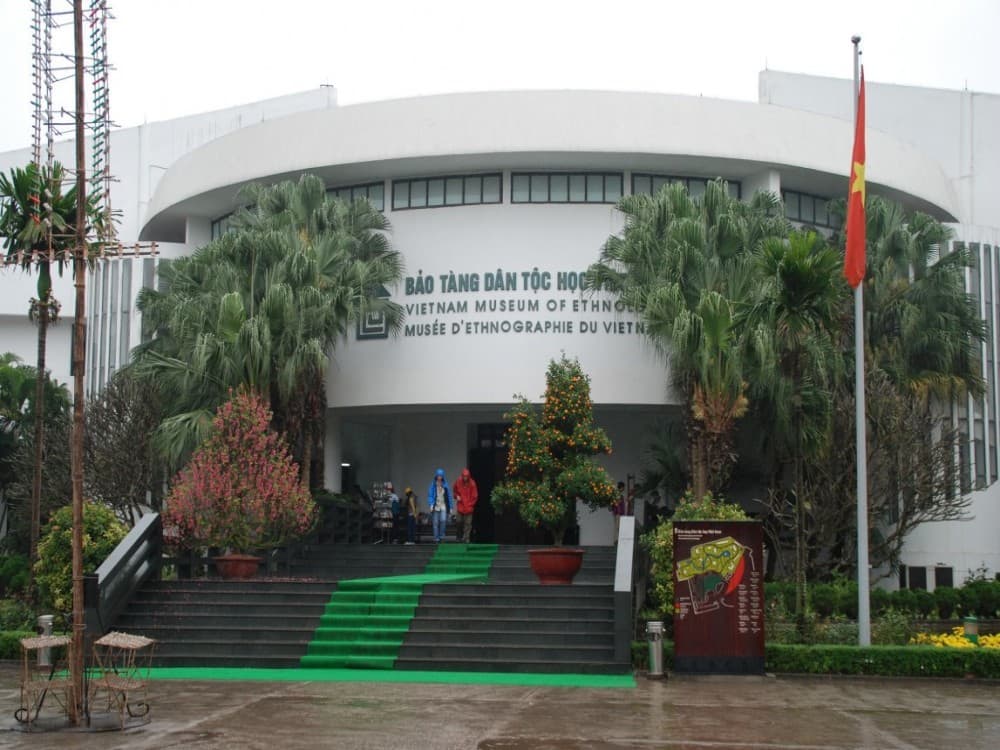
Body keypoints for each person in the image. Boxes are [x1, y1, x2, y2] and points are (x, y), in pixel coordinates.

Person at [452, 467, 479, 543]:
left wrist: (470, 505)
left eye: (466, 476)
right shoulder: (458, 481)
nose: (465, 478)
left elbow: (475, 496)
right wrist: (456, 496)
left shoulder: (472, 484)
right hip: (460, 506)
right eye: (464, 476)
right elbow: (454, 491)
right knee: (458, 521)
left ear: (469, 476)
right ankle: (459, 536)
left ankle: (466, 538)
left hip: (469, 507)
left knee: (468, 524)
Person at [427, 468, 451, 542]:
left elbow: (449, 496)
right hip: (435, 506)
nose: (439, 477)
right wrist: (431, 504)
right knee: (435, 523)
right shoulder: (433, 484)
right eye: (438, 476)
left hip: (443, 505)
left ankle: (441, 535)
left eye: (441, 476)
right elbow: (430, 495)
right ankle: (436, 538)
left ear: (443, 476)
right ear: (436, 476)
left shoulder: (445, 485)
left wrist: (451, 507)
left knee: (443, 520)